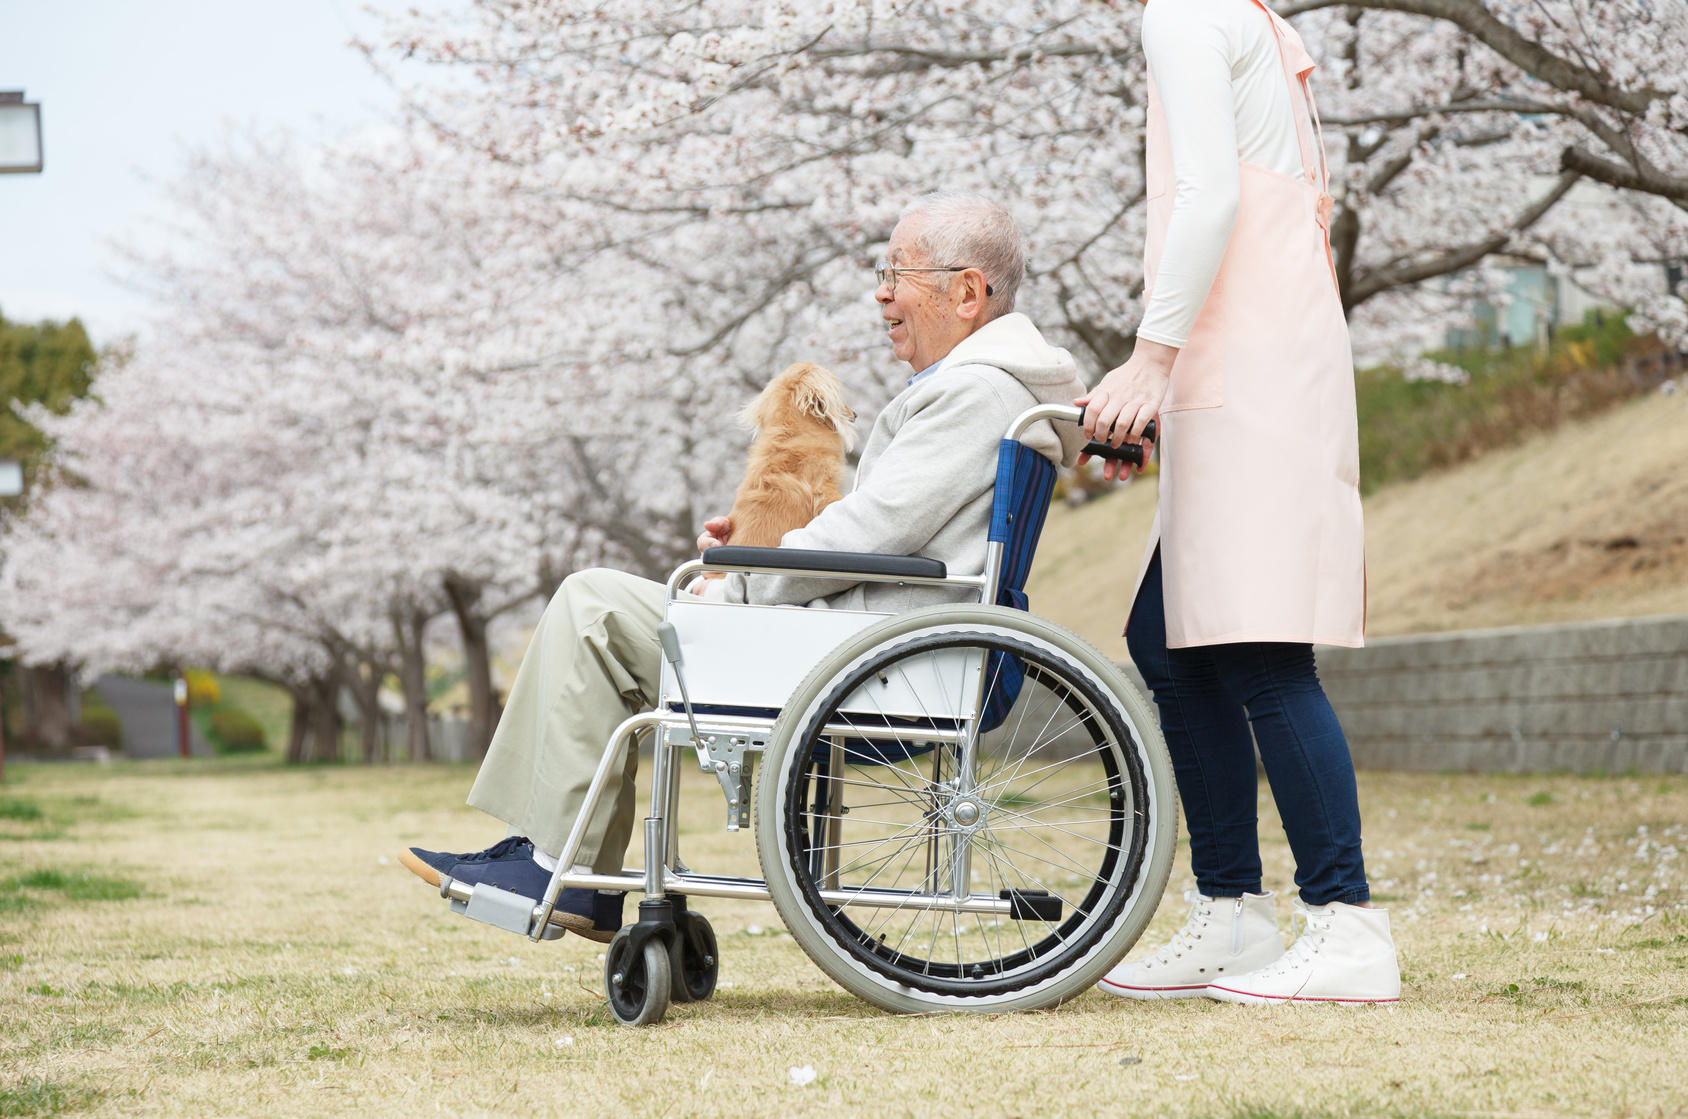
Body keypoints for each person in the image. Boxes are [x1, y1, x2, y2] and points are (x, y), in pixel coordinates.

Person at [401, 192, 1089, 941]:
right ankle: (557, 854)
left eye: (899, 273)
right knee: (607, 604)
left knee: (592, 603)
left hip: (866, 655)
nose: (881, 292)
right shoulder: (990, 389)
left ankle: (556, 866)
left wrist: (745, 577)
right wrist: (758, 544)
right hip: (876, 640)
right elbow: (890, 530)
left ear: (966, 292)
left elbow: (872, 534)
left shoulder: (974, 392)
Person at [1083, 0, 1400, 1004]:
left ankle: (1343, 925)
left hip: (1247, 366)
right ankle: (1232, 913)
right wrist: (1163, 393)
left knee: (1261, 651)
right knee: (1168, 640)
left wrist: (1149, 360)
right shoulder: (1241, 16)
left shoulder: (1184, 12)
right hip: (1253, 360)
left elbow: (1211, 197)